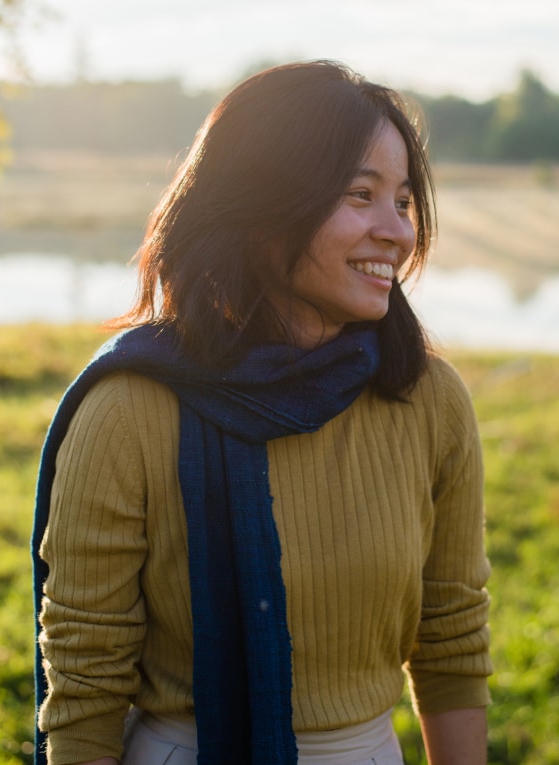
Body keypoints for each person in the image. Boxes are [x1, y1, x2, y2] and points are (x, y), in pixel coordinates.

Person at [32, 60, 492, 765]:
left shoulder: (428, 399)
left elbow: (452, 637)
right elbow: (85, 688)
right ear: (261, 205)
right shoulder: (128, 409)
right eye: (359, 193)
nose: (396, 232)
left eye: (402, 201)